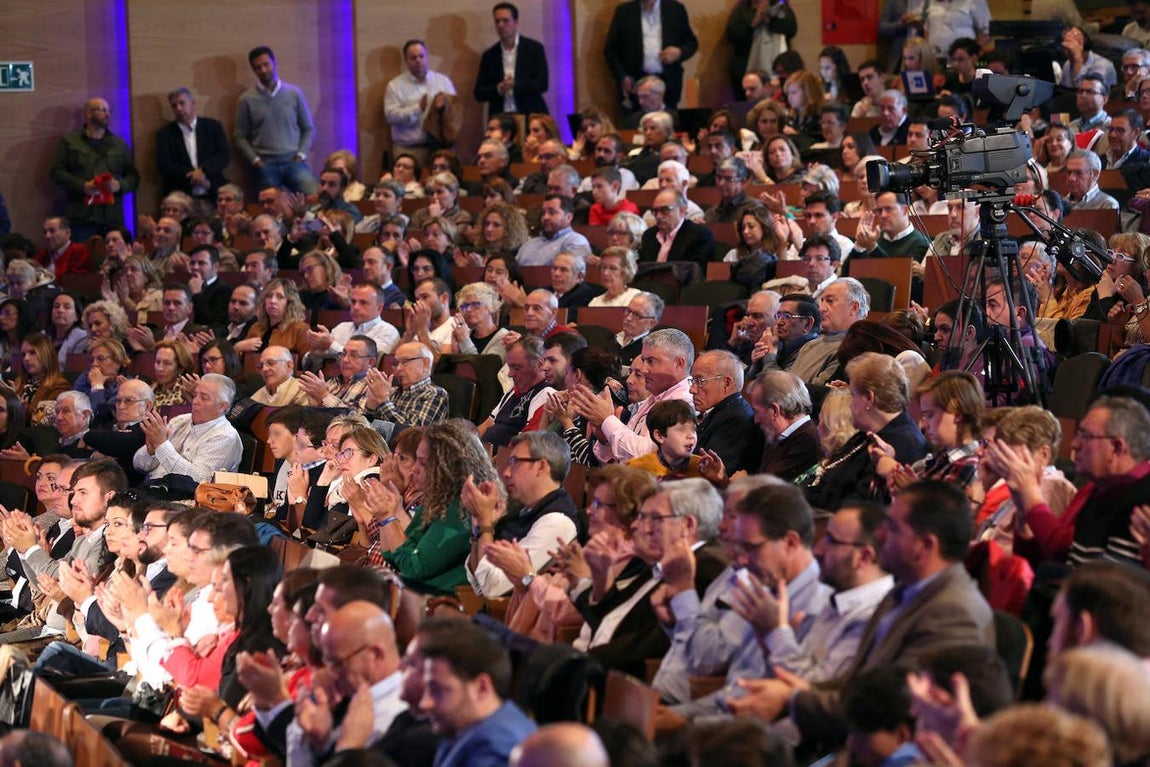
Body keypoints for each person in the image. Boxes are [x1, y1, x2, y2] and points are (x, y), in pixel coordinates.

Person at [783, 481, 994, 751]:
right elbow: (859, 683)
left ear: (924, 546)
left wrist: (793, 699)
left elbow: (886, 708)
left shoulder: (952, 613)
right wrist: (798, 692)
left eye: (893, 528)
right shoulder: (904, 589)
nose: (880, 534)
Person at [987, 394, 1150, 569]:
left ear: (1116, 447)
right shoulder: (1096, 492)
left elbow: (1102, 582)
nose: (1074, 444)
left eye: (1085, 436)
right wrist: (1023, 505)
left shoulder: (1142, 500)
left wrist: (1031, 495)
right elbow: (1050, 559)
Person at [463, 431, 580, 597]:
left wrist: (485, 522)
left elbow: (493, 588)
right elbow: (478, 582)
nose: (506, 472)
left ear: (541, 466)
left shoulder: (557, 521)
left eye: (515, 462)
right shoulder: (522, 511)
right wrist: (479, 524)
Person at [416, 617, 536, 766]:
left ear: (481, 688)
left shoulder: (497, 749)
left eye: (437, 690)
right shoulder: (465, 729)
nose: (425, 703)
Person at [49, 97, 140, 240]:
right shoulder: (69, 141)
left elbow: (133, 177)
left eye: (108, 111)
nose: (107, 114)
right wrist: (82, 186)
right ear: (88, 113)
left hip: (112, 218)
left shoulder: (119, 144)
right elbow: (56, 173)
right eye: (102, 110)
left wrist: (119, 185)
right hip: (82, 216)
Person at [133, 373, 242, 483]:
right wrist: (151, 451)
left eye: (204, 398)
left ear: (222, 406)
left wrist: (161, 445)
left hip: (180, 494)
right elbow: (138, 465)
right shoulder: (179, 421)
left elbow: (200, 480)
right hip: (150, 488)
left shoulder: (226, 437)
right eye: (195, 395)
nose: (195, 401)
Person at [605, 0, 698, 111]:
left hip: (668, 84)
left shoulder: (675, 9)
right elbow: (611, 50)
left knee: (666, 119)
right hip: (635, 83)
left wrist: (679, 53)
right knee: (635, 120)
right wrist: (622, 76)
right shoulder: (624, 12)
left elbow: (691, 43)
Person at [154, 86, 230, 211]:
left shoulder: (212, 127)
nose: (179, 108)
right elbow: (164, 164)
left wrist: (203, 171)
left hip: (213, 189)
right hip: (180, 195)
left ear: (193, 103)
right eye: (174, 106)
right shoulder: (165, 134)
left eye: (182, 103)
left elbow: (223, 156)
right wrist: (192, 176)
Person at [385, 40, 458, 165]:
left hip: (440, 148)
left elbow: (456, 112)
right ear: (406, 60)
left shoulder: (442, 81)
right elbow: (391, 116)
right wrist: (418, 109)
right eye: (413, 58)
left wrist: (444, 107)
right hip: (409, 149)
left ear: (427, 57)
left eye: (421, 56)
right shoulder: (395, 86)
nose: (418, 60)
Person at [474, 3, 549, 117]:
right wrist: (499, 88)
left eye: (505, 21)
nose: (500, 25)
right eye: (497, 21)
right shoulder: (489, 55)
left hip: (530, 115)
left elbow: (542, 84)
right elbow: (478, 93)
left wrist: (516, 84)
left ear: (515, 22)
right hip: (500, 117)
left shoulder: (534, 49)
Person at [637, 189, 715, 270]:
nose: (658, 216)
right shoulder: (649, 235)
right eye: (655, 211)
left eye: (665, 210)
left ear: (682, 210)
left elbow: (695, 272)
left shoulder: (699, 235)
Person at [516, 195, 592, 267]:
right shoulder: (528, 244)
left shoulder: (575, 241)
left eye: (551, 212)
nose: (545, 217)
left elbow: (570, 271)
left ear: (568, 217)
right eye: (543, 213)